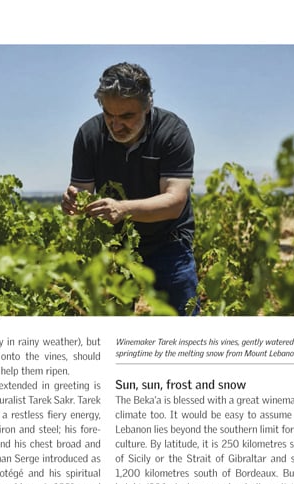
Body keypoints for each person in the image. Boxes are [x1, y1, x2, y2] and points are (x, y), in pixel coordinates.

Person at [62, 62, 199, 315]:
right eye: (108, 115)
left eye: (126, 116)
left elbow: (174, 202)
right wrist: (73, 201)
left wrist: (123, 209)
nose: (115, 125)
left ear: (148, 106)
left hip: (168, 240)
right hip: (114, 245)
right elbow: (81, 191)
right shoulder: (89, 135)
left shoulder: (172, 132)